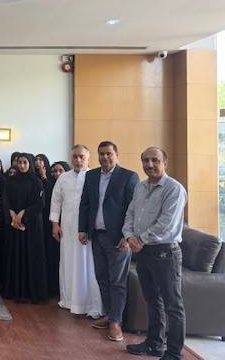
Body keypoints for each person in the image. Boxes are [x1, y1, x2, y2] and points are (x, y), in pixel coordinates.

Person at [123, 147, 187, 360]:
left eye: (155, 160)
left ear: (165, 163)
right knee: (152, 299)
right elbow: (130, 213)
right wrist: (129, 236)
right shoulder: (140, 187)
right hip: (143, 252)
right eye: (146, 160)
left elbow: (166, 223)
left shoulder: (174, 189)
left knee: (173, 305)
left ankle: (174, 353)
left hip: (165, 253)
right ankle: (154, 344)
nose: (149, 165)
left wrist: (140, 239)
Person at [78, 141, 139, 342]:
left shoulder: (129, 176)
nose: (104, 157)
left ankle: (116, 322)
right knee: (102, 277)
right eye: (101, 154)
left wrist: (127, 237)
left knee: (117, 281)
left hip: (119, 239)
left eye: (108, 153)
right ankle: (110, 314)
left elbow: (133, 209)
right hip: (97, 236)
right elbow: (85, 203)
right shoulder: (91, 175)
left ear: (116, 154)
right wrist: (83, 229)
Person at [49, 145, 103, 317]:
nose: (78, 160)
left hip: (87, 228)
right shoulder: (63, 178)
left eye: (82, 157)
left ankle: (89, 304)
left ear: (88, 158)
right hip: (67, 227)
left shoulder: (95, 176)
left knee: (88, 265)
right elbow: (56, 201)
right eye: (75, 157)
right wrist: (55, 224)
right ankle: (68, 300)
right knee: (68, 261)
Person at [0, 153, 48, 303]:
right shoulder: (10, 180)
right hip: (14, 224)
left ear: (30, 164)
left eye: (25, 162)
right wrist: (11, 213)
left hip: (31, 225)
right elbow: (5, 199)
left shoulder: (36, 181)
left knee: (30, 256)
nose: (21, 165)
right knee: (14, 255)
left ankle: (30, 291)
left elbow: (40, 203)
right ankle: (14, 290)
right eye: (19, 162)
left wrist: (23, 213)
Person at [36, 153, 59, 297]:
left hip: (51, 219)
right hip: (38, 218)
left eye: (41, 160)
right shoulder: (33, 177)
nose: (38, 162)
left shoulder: (50, 178)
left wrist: (44, 177)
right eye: (36, 160)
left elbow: (50, 195)